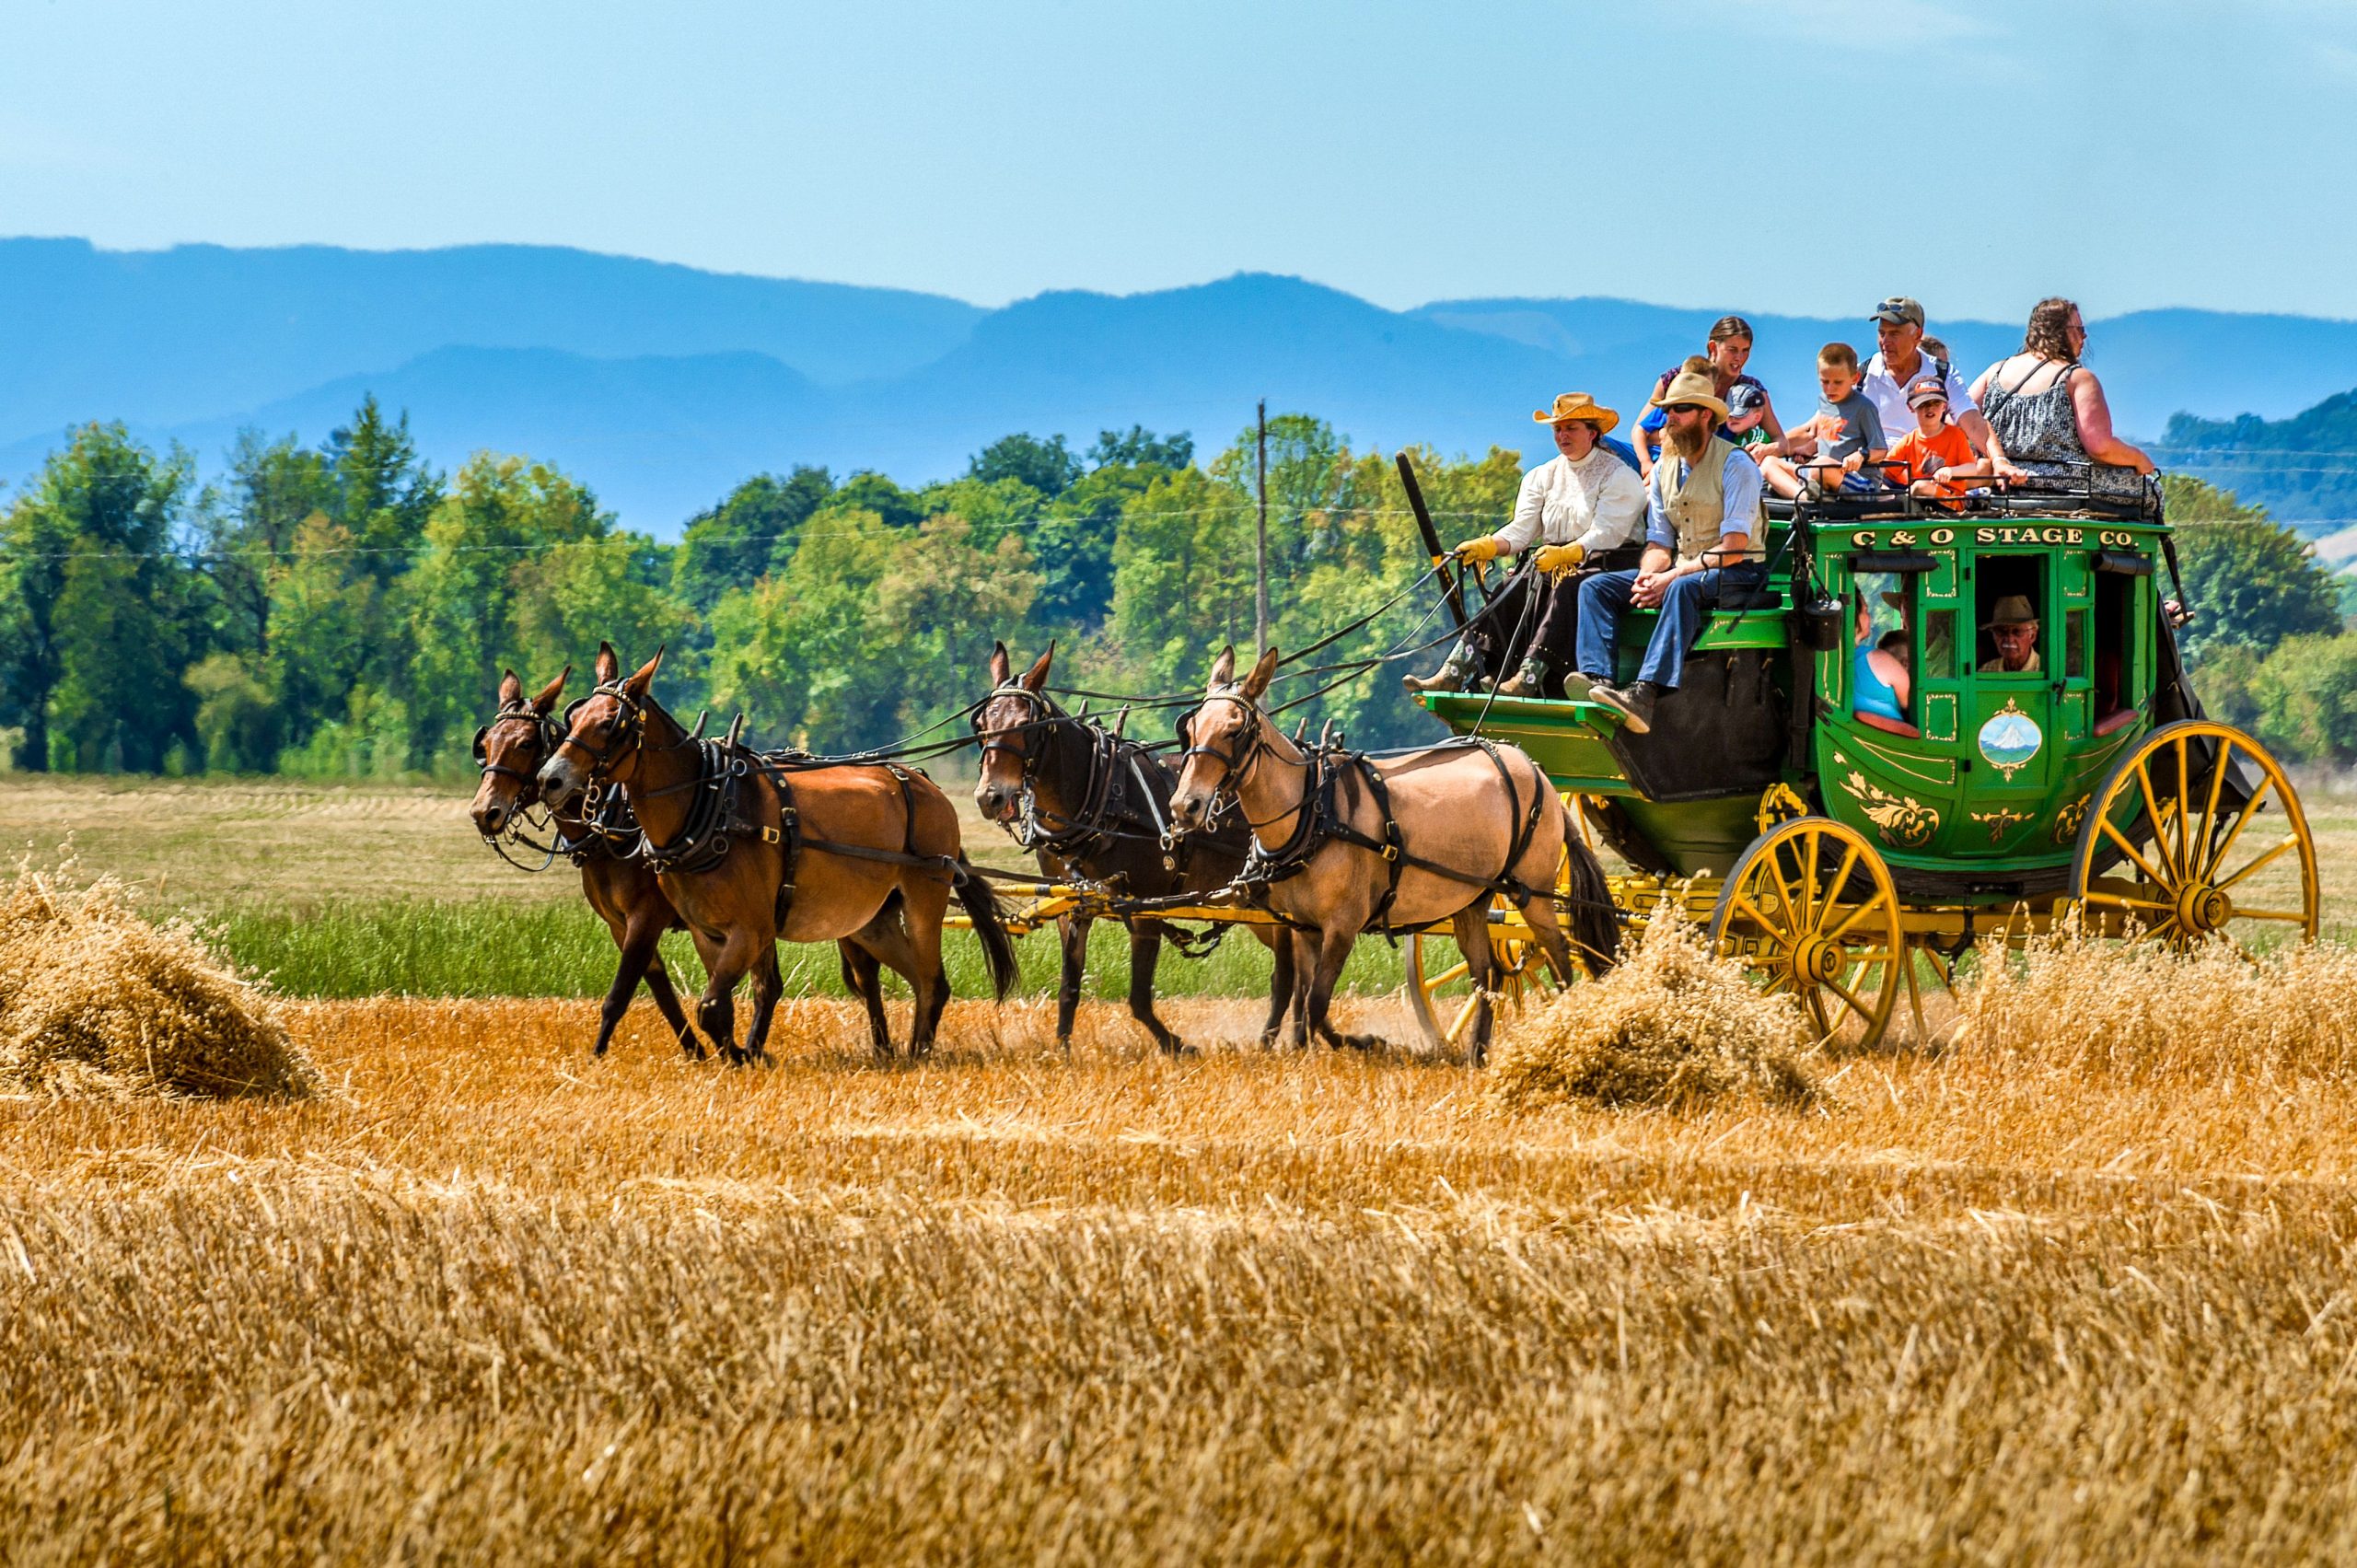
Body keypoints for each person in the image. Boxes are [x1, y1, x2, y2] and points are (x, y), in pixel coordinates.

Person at [1404, 393, 1646, 697]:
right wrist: (1487, 546)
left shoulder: (1619, 476)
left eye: (1570, 428)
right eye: (1557, 429)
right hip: (1551, 558)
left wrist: (1569, 552)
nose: (1562, 436)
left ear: (1592, 432)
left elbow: (1608, 531)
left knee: (1569, 585)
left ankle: (1530, 676)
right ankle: (1456, 669)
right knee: (1511, 584)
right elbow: (1522, 532)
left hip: (1607, 560)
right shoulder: (1542, 476)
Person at [1574, 365, 1767, 733]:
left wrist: (1671, 575)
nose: (1669, 417)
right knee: (1594, 587)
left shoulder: (1736, 464)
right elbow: (1660, 540)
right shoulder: (1665, 465)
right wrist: (1650, 573)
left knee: (1681, 587)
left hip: (1739, 572)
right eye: (1667, 409)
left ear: (1705, 415)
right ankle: (1598, 681)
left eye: (1679, 410)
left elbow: (1734, 549)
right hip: (1687, 567)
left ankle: (1645, 694)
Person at [1971, 297, 2157, 500]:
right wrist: (2139, 458)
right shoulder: (2076, 378)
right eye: (2079, 329)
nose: (2084, 336)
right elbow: (2100, 447)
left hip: (2002, 481)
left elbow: (1959, 418)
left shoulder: (1995, 371)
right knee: (2151, 490)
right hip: (2067, 486)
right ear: (2060, 332)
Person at [1632, 316, 1784, 477]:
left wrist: (1767, 449)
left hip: (1709, 471)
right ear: (1713, 347)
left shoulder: (1751, 393)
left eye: (1745, 351)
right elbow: (1640, 430)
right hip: (1656, 458)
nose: (1739, 358)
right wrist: (1662, 444)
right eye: (1732, 350)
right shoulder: (1677, 379)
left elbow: (1781, 440)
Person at [1859, 296, 1990, 457]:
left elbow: (1973, 423)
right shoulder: (1862, 374)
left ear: (1917, 335)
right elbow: (1829, 419)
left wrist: (1998, 460)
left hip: (1923, 470)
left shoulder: (1943, 374)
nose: (1885, 341)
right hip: (1871, 468)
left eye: (1894, 334)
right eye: (1882, 333)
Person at [1758, 343, 1888, 499]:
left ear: (1855, 378)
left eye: (1838, 382)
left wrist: (1861, 455)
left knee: (1822, 465)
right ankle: (1804, 499)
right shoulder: (1825, 402)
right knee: (1768, 464)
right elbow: (1831, 437)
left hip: (1857, 481)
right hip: (1819, 472)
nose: (1830, 389)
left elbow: (1880, 449)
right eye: (1825, 382)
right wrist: (1808, 449)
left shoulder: (1864, 408)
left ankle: (1802, 489)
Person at [1887, 377, 1988, 503]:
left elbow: (1972, 468)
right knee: (1911, 488)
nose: (1930, 408)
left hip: (1950, 498)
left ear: (1944, 406)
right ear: (1911, 407)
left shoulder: (1956, 435)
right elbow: (1887, 469)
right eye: (1923, 404)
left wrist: (1950, 471)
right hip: (1917, 496)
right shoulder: (1909, 440)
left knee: (1921, 487)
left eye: (1936, 403)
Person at [1853, 595, 1911, 725]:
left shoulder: (1839, 660)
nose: (1870, 617)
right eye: (1865, 611)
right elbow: (1912, 704)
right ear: (1855, 616)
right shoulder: (1879, 659)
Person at [1980, 595, 2041, 673]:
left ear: (2032, 636)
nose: (2009, 639)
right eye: (2001, 631)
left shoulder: (2045, 670)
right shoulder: (1986, 671)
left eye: (2017, 631)